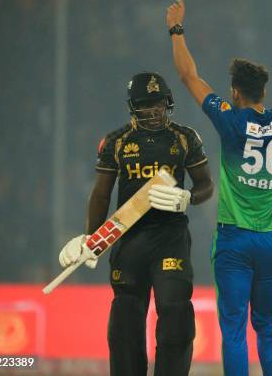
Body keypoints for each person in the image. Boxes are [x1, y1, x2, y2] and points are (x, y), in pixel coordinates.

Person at [165, 0, 272, 375]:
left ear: (235, 93)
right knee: (267, 327)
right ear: (263, 92)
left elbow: (189, 77)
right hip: (270, 240)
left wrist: (176, 29)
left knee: (233, 330)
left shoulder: (229, 121)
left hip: (233, 241)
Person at [58, 72, 214, 376]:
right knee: (125, 317)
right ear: (133, 107)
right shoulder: (116, 141)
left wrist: (187, 198)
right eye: (146, 105)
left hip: (171, 236)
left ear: (167, 102)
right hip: (129, 238)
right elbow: (101, 194)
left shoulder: (185, 137)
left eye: (159, 104)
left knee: (175, 310)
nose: (154, 111)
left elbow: (206, 184)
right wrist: (92, 239)